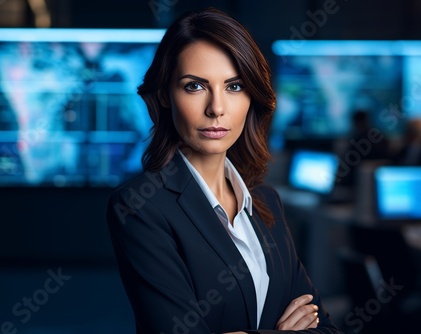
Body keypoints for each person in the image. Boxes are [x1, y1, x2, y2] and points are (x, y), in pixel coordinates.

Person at [107, 8, 339, 334]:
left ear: (252, 96)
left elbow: (326, 328)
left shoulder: (266, 202)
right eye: (195, 86)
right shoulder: (139, 206)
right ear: (164, 96)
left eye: (234, 87)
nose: (216, 108)